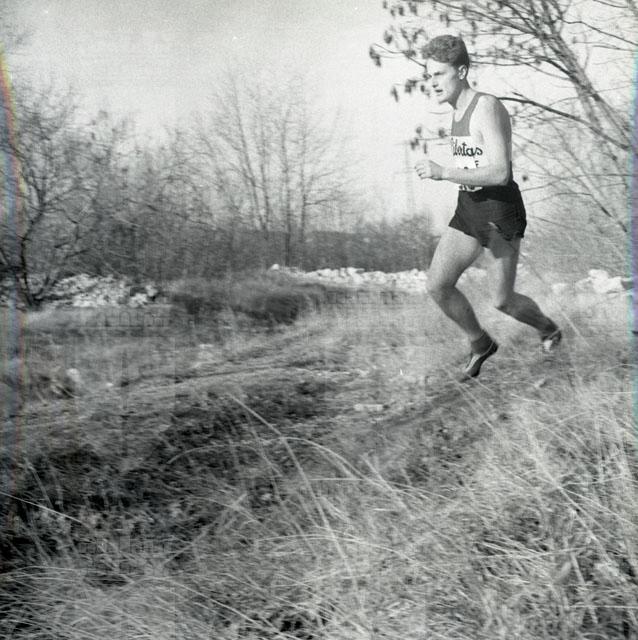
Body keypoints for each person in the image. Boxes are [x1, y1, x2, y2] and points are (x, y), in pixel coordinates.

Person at [414, 35, 561, 381]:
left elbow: (499, 172)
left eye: (439, 74)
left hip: (499, 215)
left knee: (502, 300)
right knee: (437, 285)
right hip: (470, 209)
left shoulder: (486, 107)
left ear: (462, 71)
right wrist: (454, 176)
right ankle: (481, 343)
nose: (432, 83)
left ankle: (549, 329)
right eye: (428, 75)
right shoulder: (456, 111)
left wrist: (443, 172)